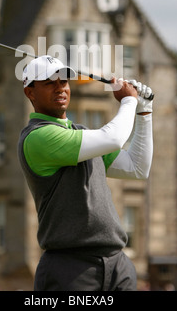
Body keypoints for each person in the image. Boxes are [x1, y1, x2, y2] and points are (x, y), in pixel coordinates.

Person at [18, 55, 154, 291]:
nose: (60, 88)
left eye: (63, 82)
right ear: (30, 93)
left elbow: (137, 168)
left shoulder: (82, 134)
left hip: (117, 263)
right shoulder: (37, 137)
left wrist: (144, 111)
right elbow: (112, 138)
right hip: (70, 267)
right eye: (49, 83)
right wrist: (129, 102)